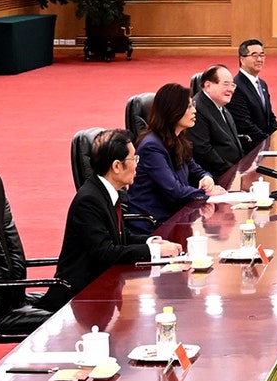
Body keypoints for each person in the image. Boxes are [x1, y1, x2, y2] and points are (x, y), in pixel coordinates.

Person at [39, 129, 182, 311]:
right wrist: (154, 251)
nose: (137, 165)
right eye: (134, 159)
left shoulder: (107, 192)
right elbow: (105, 252)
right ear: (116, 166)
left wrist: (154, 242)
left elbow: (122, 236)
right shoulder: (89, 200)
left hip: (101, 288)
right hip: (78, 297)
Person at [130, 83, 224, 228]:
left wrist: (206, 178)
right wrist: (207, 194)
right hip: (155, 224)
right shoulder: (151, 147)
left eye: (193, 105)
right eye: (189, 107)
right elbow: (174, 191)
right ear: (172, 111)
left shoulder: (177, 138)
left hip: (177, 216)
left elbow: (196, 170)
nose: (194, 111)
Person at [187, 64, 246, 177]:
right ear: (208, 86)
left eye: (232, 85)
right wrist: (233, 173)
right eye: (226, 84)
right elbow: (203, 151)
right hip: (215, 176)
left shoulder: (222, 107)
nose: (231, 89)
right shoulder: (197, 109)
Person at [229, 39, 277, 149]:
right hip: (251, 146)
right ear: (242, 59)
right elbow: (244, 123)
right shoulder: (237, 86)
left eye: (262, 55)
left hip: (265, 143)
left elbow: (270, 115)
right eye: (254, 56)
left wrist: (276, 136)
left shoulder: (262, 84)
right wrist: (267, 141)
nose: (259, 59)